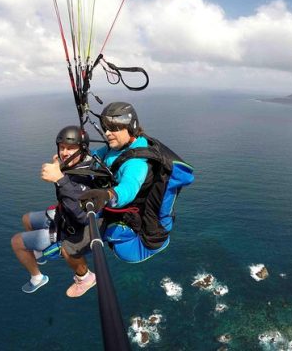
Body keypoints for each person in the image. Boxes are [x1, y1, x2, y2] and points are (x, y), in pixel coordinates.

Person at [79, 101, 172, 263]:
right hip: (129, 220)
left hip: (139, 244)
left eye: (114, 128)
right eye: (105, 128)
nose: (107, 133)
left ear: (130, 128)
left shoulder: (136, 163)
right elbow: (93, 158)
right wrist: (67, 160)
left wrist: (107, 195)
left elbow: (129, 188)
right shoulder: (117, 147)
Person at [11, 126, 97, 296]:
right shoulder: (78, 162)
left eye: (71, 148)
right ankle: (39, 255)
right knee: (26, 219)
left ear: (83, 149)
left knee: (16, 242)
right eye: (62, 147)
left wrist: (59, 178)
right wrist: (60, 168)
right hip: (62, 216)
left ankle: (37, 277)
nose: (65, 152)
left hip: (71, 228)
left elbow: (81, 217)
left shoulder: (85, 178)